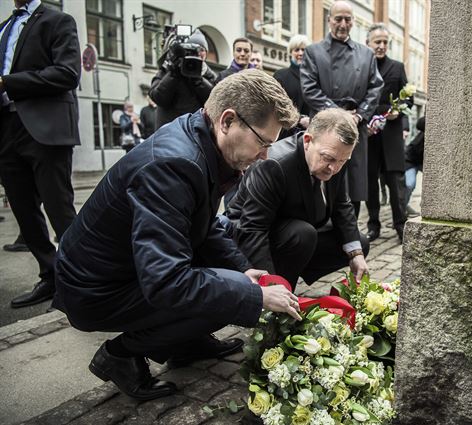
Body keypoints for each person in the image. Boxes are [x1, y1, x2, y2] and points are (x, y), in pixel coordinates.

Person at [53, 71, 300, 401]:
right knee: (227, 294)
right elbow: (166, 281)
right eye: (263, 142)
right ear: (227, 121)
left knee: (231, 284)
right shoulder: (174, 163)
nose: (266, 155)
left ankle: (186, 343)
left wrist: (243, 271)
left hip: (123, 270)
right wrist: (253, 296)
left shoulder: (200, 137)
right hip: (95, 288)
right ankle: (121, 356)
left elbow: (204, 224)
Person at [225, 108, 369, 292]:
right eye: (329, 159)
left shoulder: (335, 157)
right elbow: (253, 229)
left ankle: (293, 268)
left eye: (342, 161)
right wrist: (270, 287)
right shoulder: (274, 164)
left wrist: (356, 254)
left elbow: (341, 205)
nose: (333, 168)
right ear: (308, 141)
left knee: (359, 243)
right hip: (250, 235)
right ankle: (282, 291)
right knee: (302, 234)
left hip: (296, 229)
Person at [0, 0, 80, 308]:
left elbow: (67, 73)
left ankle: (82, 280)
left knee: (60, 210)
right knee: (23, 210)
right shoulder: (5, 28)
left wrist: (7, 82)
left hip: (46, 129)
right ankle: (51, 275)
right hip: (7, 127)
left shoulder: (58, 20)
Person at [301, 1, 383, 218]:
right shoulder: (313, 52)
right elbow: (309, 89)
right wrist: (338, 115)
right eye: (338, 18)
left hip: (355, 126)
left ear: (353, 22)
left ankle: (350, 232)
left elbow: (376, 87)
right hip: (324, 127)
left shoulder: (367, 54)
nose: (343, 24)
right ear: (329, 20)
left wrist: (360, 114)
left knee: (353, 186)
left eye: (348, 19)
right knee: (321, 177)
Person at [364, 23, 412, 242]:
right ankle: (373, 225)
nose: (381, 46)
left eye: (385, 42)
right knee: (370, 182)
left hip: (391, 132)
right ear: (368, 43)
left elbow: (408, 98)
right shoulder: (363, 67)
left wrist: (399, 110)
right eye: (377, 42)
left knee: (396, 182)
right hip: (370, 132)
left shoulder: (397, 67)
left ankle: (400, 224)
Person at [149, 29, 216, 129]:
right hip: (169, 132)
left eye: (201, 50)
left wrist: (198, 80)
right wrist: (173, 74)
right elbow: (158, 97)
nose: (197, 53)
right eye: (192, 50)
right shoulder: (167, 69)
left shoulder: (208, 74)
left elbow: (214, 100)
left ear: (206, 54)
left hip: (196, 133)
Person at [273, 34, 311, 139]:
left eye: (303, 50)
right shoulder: (280, 75)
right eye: (296, 50)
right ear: (290, 52)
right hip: (286, 133)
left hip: (310, 134)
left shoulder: (314, 77)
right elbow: (276, 105)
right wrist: (299, 119)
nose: (300, 53)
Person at [405, 115, 425, 217]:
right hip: (411, 160)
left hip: (423, 162)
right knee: (409, 184)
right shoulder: (422, 134)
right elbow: (420, 123)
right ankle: (403, 207)